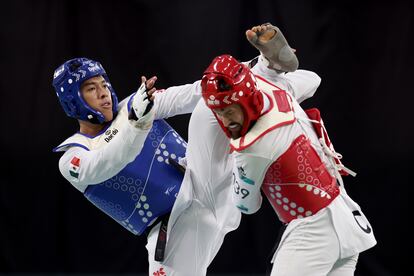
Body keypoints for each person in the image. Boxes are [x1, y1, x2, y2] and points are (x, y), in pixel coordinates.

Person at [52, 23, 291, 276]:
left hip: (207, 183)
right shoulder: (72, 157)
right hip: (177, 228)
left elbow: (189, 93)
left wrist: (254, 63)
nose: (103, 93)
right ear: (73, 101)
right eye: (91, 89)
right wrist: (138, 123)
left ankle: (267, 67)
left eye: (103, 84)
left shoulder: (134, 104)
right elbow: (110, 161)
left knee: (209, 103)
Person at [201, 24, 377, 275]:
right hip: (345, 221)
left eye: (229, 110)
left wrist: (228, 169)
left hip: (312, 235)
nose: (226, 121)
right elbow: (313, 79)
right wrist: (274, 70)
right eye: (218, 113)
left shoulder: (253, 147)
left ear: (247, 98)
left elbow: (246, 205)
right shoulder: (279, 92)